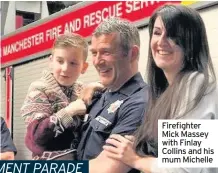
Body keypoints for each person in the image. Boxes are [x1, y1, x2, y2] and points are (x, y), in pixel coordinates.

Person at [103, 4, 218, 173]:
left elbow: (183, 169)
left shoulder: (195, 84)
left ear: (191, 42)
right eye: (157, 32)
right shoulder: (168, 90)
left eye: (173, 34)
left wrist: (136, 159)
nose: (161, 41)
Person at [76, 18, 149, 173]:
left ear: (132, 54)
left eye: (106, 52)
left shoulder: (140, 103)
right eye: (94, 53)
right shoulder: (102, 94)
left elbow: (107, 169)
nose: (96, 61)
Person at [21, 33, 103, 160]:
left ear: (84, 67)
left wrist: (93, 87)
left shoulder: (82, 89)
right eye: (60, 61)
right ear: (51, 62)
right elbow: (36, 137)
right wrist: (69, 111)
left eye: (73, 63)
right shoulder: (38, 89)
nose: (65, 68)